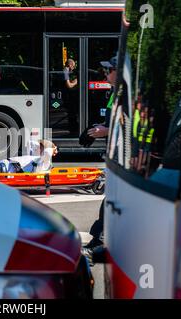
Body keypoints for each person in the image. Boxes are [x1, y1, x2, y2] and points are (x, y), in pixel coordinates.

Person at [81, 55, 118, 266]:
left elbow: (128, 125)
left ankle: (98, 245)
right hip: (115, 156)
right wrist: (95, 130)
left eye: (109, 69)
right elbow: (112, 120)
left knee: (111, 202)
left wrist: (105, 131)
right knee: (110, 202)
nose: (106, 73)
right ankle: (97, 244)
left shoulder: (126, 94)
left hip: (123, 159)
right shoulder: (114, 92)